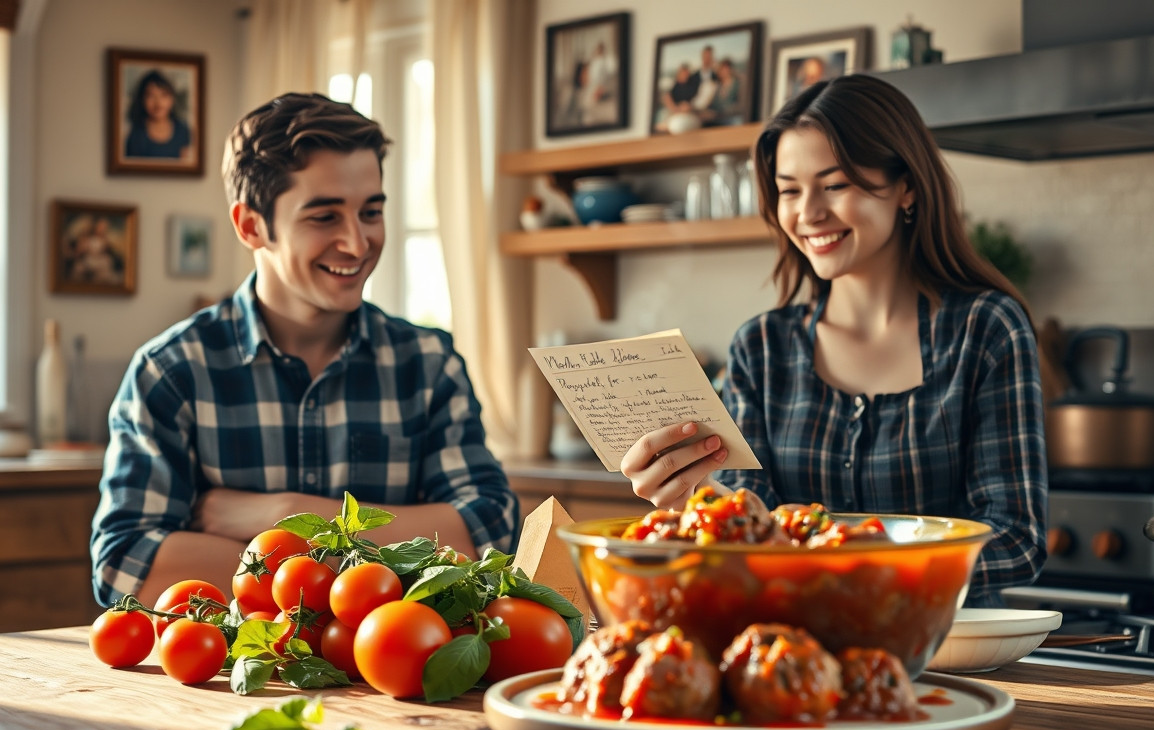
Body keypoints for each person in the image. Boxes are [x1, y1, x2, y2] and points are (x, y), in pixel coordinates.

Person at [620, 75, 1046, 607]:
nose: (809, 212)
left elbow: (1015, 538)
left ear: (907, 186)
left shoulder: (986, 329)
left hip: (943, 656)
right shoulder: (760, 348)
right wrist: (694, 501)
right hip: (789, 654)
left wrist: (851, 572)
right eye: (789, 190)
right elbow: (758, 523)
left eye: (836, 184)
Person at [91, 93, 518, 607]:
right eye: (324, 217)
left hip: (400, 681)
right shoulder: (173, 372)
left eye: (371, 211)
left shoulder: (428, 365)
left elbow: (489, 533)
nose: (357, 244)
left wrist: (286, 517)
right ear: (251, 226)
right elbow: (127, 567)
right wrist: (384, 558)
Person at [123, 69, 191, 160]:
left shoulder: (183, 130)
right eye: (151, 95)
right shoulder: (134, 133)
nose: (158, 102)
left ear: (172, 98)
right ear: (142, 99)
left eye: (164, 95)